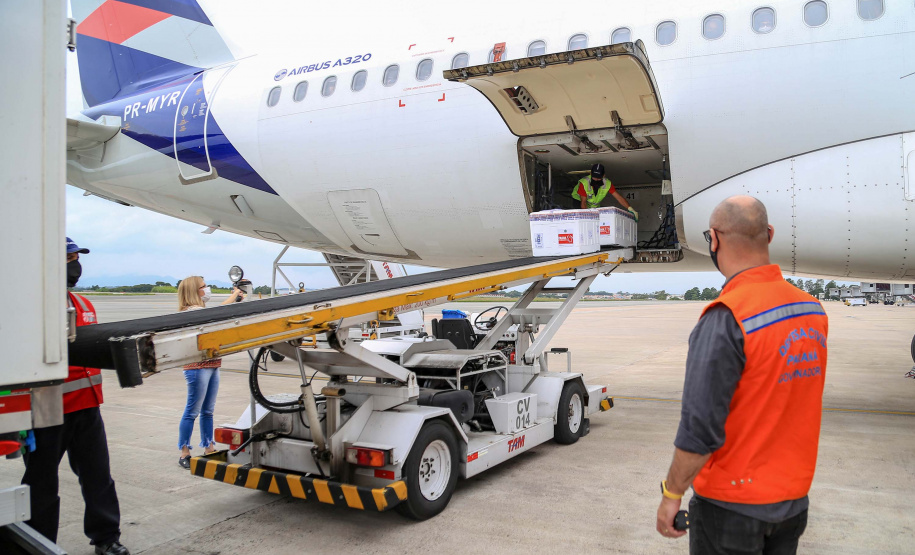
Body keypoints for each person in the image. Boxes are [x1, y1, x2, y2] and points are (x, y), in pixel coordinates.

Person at [655, 196, 828, 554]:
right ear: (769, 234)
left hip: (731, 508)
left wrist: (672, 494)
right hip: (793, 502)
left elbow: (699, 430)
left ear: (714, 240)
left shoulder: (727, 317)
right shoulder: (811, 310)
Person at [21, 238, 129, 555]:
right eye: (68, 258)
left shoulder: (83, 304)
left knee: (98, 477)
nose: (75, 264)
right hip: (45, 411)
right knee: (41, 484)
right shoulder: (31, 307)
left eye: (76, 257)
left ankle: (107, 538)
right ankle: (38, 544)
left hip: (88, 408)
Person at [176, 276, 243, 468]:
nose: (207, 289)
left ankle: (209, 447)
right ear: (194, 291)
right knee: (192, 411)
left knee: (208, 411)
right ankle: (184, 451)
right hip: (198, 368)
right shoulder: (191, 312)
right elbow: (219, 312)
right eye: (204, 287)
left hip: (213, 364)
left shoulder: (201, 311)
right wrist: (235, 296)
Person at [571, 163, 639, 221]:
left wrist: (630, 209)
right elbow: (583, 203)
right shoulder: (584, 183)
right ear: (590, 174)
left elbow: (619, 198)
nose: (596, 180)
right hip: (579, 201)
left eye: (599, 178)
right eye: (594, 177)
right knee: (583, 218)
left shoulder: (607, 183)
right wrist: (587, 217)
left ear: (603, 176)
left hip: (593, 206)